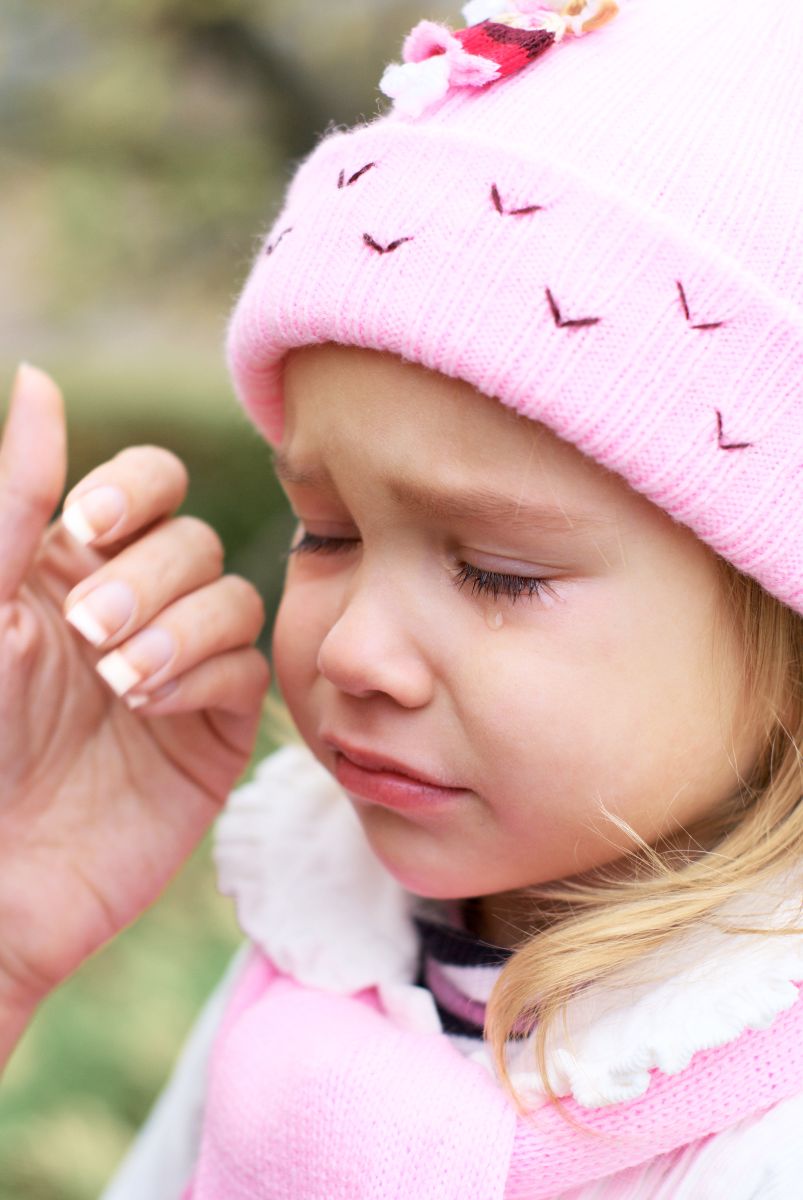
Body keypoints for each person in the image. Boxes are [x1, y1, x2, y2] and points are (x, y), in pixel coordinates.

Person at [2, 0, 802, 1195]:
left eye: (496, 570)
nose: (354, 651)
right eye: (324, 532)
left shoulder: (749, 1113)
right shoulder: (332, 939)